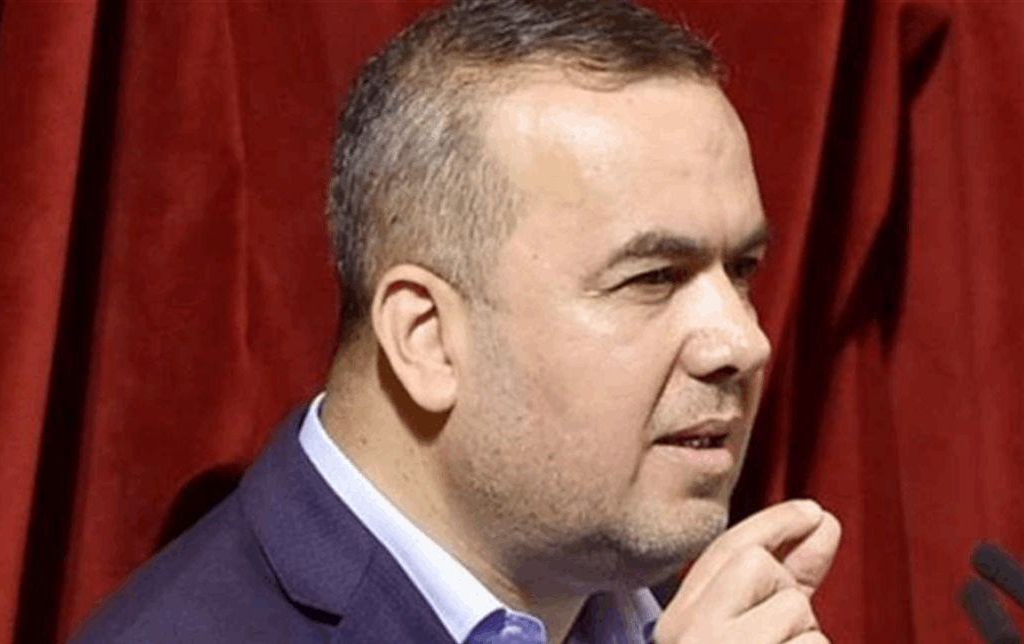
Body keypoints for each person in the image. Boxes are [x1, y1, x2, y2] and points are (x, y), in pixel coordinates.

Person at [69, 0, 842, 642]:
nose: (744, 342)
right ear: (427, 340)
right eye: (652, 278)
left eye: (742, 269)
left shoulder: (676, 609)